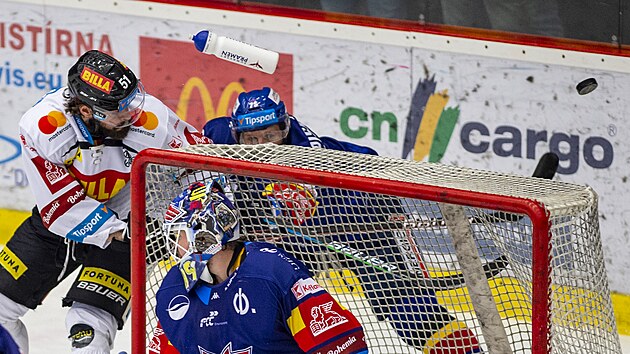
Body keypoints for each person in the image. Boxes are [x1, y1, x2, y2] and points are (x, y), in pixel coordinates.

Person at [202, 87, 482, 353]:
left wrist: (385, 210)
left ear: (284, 128)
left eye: (270, 136)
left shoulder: (309, 157)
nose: (262, 147)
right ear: (236, 134)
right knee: (260, 303)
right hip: (290, 240)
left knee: (404, 304)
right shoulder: (219, 135)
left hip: (356, 216)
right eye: (252, 140)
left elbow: (308, 204)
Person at [0, 50, 210, 354]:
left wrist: (182, 221)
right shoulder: (46, 128)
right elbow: (60, 205)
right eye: (119, 108)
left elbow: (198, 166)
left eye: (132, 98)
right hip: (64, 222)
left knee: (87, 326)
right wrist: (126, 234)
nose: (132, 112)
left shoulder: (151, 121)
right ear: (87, 111)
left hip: (132, 219)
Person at [152, 182, 368, 354]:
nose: (175, 245)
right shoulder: (174, 289)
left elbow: (343, 344)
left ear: (205, 233)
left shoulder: (271, 271)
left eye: (178, 234)